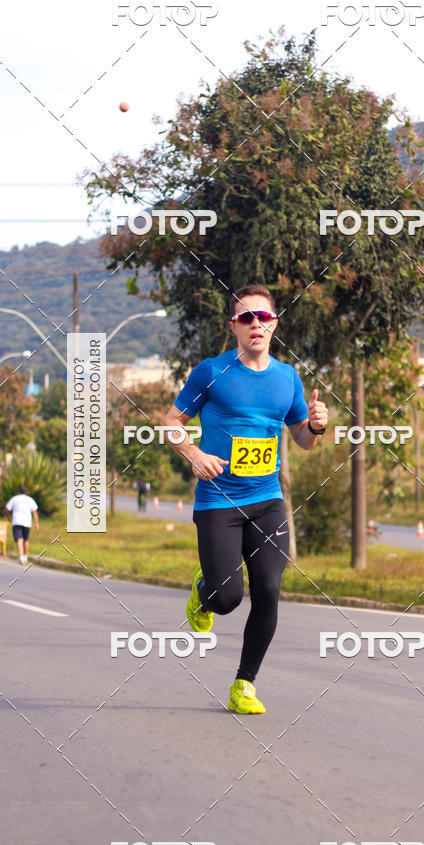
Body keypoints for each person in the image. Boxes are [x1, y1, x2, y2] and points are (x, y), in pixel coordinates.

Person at [164, 284, 328, 714]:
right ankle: (203, 593)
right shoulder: (210, 372)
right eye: (246, 318)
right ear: (233, 326)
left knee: (269, 590)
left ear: (275, 323)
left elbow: (302, 440)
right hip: (219, 502)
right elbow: (171, 424)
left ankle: (244, 685)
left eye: (263, 317)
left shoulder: (287, 377)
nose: (255, 324)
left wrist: (315, 425)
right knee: (227, 598)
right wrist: (194, 453)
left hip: (267, 500)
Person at [5, 485, 39, 565]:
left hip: (17, 521)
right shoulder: (30, 500)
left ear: (18, 491)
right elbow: (35, 512)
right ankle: (25, 557)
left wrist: (9, 517)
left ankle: (21, 557)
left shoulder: (14, 499)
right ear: (26, 492)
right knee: (26, 540)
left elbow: (7, 509)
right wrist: (36, 523)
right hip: (27, 522)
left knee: (19, 539)